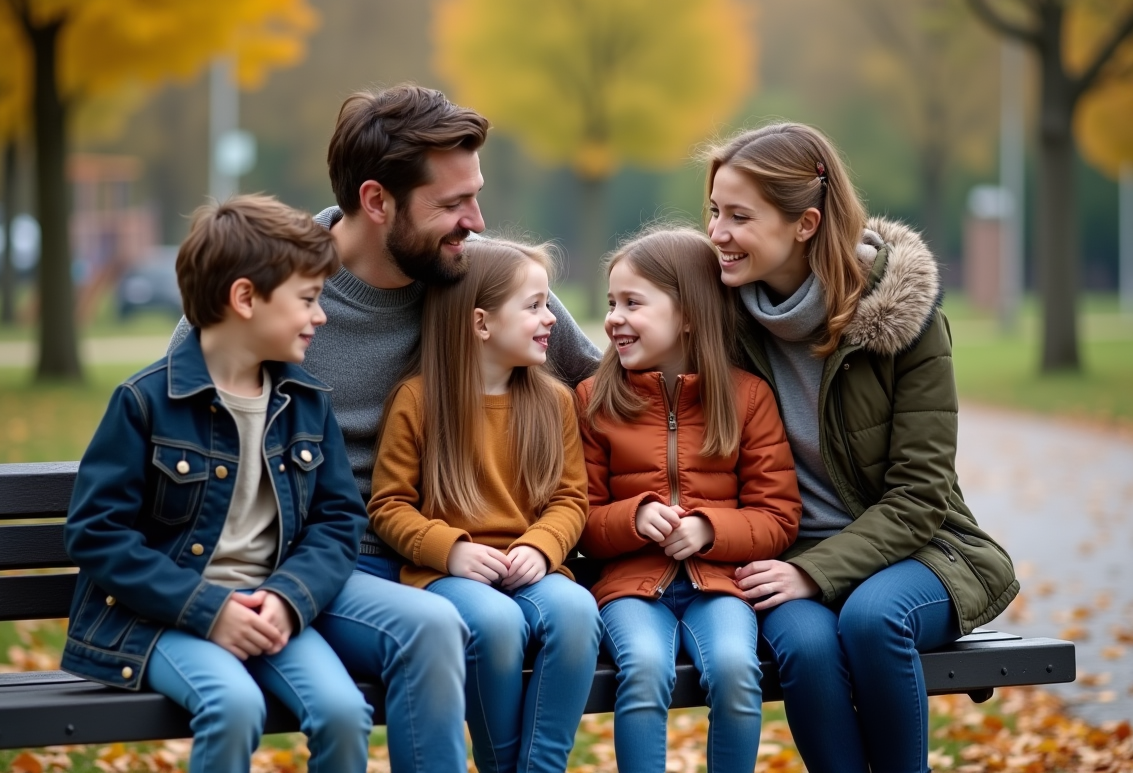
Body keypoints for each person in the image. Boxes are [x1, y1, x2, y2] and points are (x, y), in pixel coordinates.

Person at [167, 84, 602, 773]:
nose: (476, 221)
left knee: (492, 625)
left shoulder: (469, 274)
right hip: (314, 565)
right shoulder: (275, 289)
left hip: (459, 555)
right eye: (453, 204)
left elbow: (599, 384)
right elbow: (177, 425)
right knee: (443, 630)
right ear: (376, 202)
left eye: (476, 196)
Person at [703, 123, 1019, 773]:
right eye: (713, 212)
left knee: (873, 621)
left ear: (805, 223)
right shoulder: (722, 319)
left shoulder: (904, 319)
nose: (717, 233)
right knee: (808, 645)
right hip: (787, 552)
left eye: (738, 216)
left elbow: (922, 494)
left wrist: (815, 573)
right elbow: (622, 349)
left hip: (921, 550)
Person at [62, 195, 373, 773]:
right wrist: (208, 609)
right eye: (307, 300)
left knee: (342, 712)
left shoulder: (305, 402)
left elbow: (339, 522)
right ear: (245, 298)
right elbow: (96, 534)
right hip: (162, 618)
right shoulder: (145, 402)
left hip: (270, 609)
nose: (321, 316)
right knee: (232, 706)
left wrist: (288, 599)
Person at [369, 239, 602, 773]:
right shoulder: (418, 401)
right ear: (481, 323)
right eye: (535, 305)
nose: (551, 319)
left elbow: (570, 498)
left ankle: (541, 767)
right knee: (495, 623)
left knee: (575, 611)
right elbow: (389, 505)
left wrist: (542, 549)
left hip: (535, 567)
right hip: (449, 575)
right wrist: (450, 552)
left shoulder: (553, 401)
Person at [575, 227, 802, 773]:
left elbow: (779, 516)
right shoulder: (594, 400)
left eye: (633, 302)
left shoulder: (747, 398)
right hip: (630, 587)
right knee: (645, 670)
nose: (614, 318)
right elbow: (579, 516)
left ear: (689, 314)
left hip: (722, 585)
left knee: (734, 671)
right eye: (611, 303)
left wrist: (709, 529)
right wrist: (634, 517)